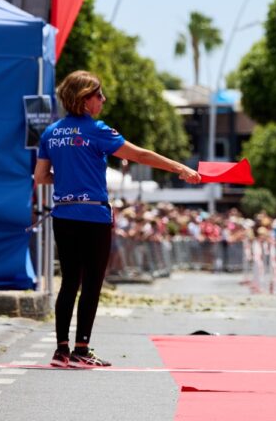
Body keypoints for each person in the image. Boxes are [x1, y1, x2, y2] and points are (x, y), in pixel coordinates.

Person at [34, 70, 201, 368]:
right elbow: (140, 155)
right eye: (99, 95)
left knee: (69, 280)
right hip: (94, 215)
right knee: (93, 282)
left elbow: (41, 177)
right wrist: (180, 168)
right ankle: (81, 350)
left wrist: (71, 179)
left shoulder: (51, 133)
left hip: (63, 213)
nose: (104, 99)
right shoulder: (97, 129)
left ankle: (61, 351)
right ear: (85, 100)